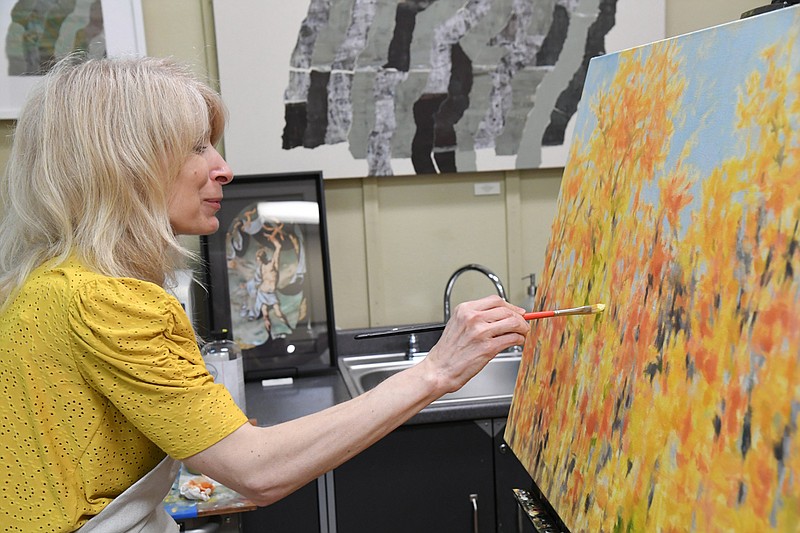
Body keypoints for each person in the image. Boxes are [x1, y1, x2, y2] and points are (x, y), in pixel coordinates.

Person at [0, 55, 530, 532]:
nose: (223, 169)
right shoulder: (108, 302)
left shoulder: (46, 284)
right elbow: (258, 471)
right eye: (195, 147)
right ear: (122, 165)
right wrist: (437, 371)